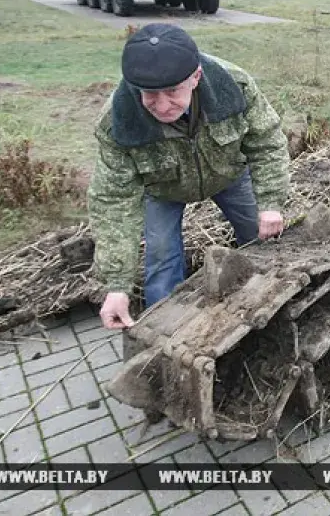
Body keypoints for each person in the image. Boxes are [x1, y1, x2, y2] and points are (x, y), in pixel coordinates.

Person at [87, 23, 292, 330]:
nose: (163, 105)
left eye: (172, 92)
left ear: (195, 77)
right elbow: (113, 200)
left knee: (261, 242)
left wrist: (271, 202)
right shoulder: (117, 122)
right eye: (150, 95)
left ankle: (269, 312)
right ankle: (168, 333)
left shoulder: (234, 86)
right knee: (161, 261)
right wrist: (117, 285)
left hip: (229, 175)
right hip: (163, 189)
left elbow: (267, 141)